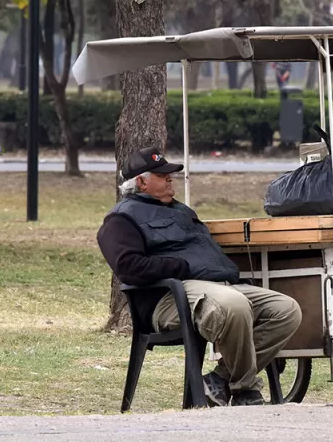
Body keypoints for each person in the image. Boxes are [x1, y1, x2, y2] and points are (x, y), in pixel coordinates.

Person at [97, 147, 302, 406]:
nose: (171, 178)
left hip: (220, 287)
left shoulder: (181, 211)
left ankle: (218, 381)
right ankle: (245, 391)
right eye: (163, 175)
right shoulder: (121, 219)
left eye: (170, 174)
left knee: (286, 309)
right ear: (142, 181)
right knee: (233, 306)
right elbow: (127, 267)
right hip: (172, 296)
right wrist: (178, 267)